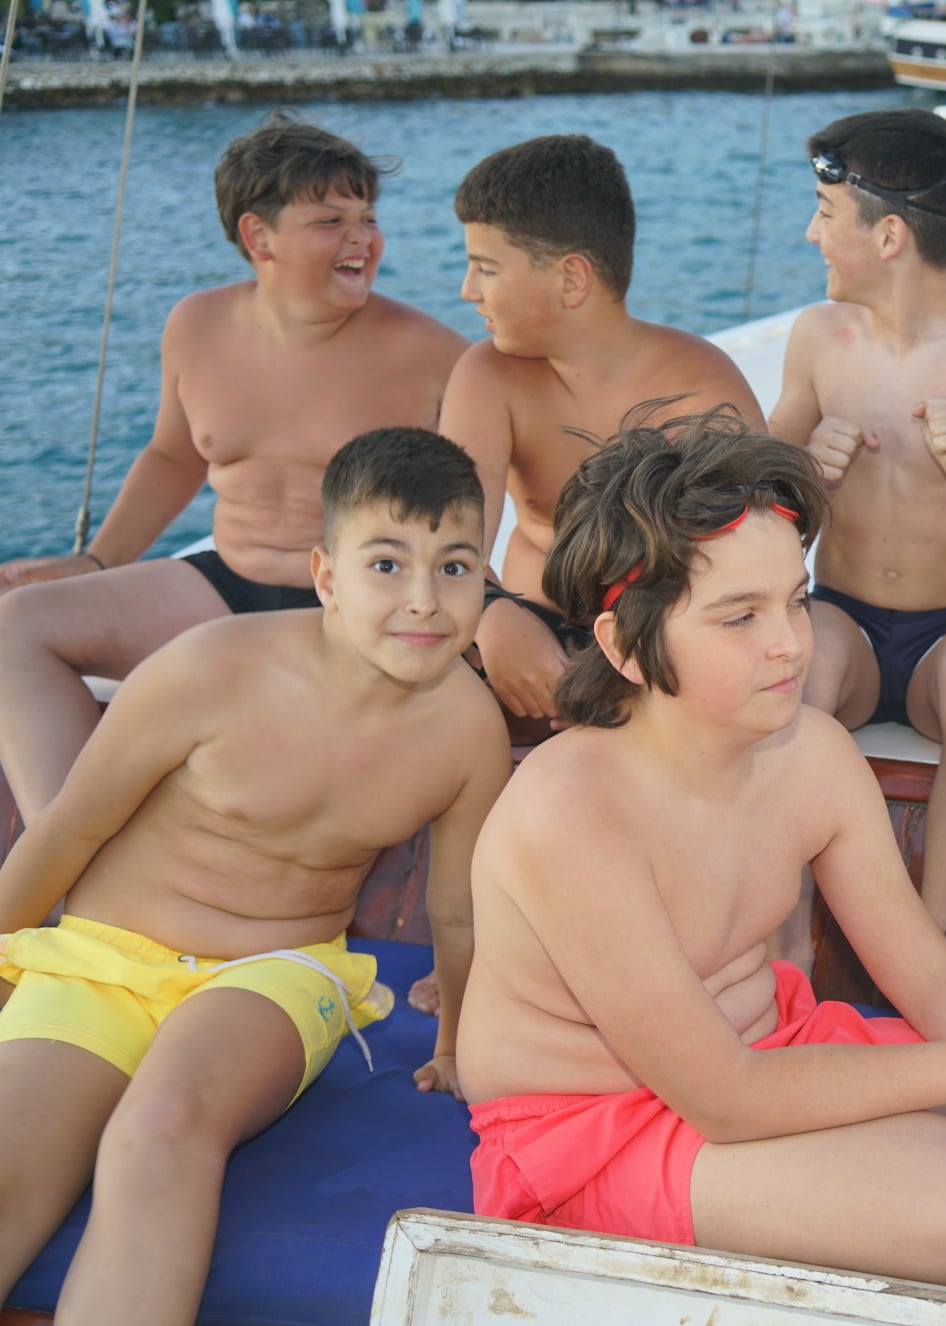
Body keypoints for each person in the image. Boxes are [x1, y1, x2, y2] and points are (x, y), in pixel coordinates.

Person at [453, 408, 946, 1287]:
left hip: (767, 1052)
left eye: (796, 600)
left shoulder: (812, 754)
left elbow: (923, 972)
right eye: (739, 618)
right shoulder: (572, 814)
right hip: (593, 1135)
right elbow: (722, 1097)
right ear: (627, 647)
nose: (789, 645)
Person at [0, 428, 512, 1323]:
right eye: (386, 565)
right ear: (325, 575)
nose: (424, 600)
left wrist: (453, 1044)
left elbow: (457, 914)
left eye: (456, 567)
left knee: (162, 1132)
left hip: (277, 971)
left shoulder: (468, 734)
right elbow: (71, 827)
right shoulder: (208, 668)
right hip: (103, 959)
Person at [0, 113, 468, 822]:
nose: (362, 240)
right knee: (17, 625)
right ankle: (61, 847)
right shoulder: (196, 325)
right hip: (222, 582)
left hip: (351, 612)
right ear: (258, 236)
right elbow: (173, 456)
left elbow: (488, 497)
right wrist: (97, 561)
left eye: (368, 219)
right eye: (330, 221)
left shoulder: (433, 355)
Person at [766, 109, 946, 947]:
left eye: (825, 214)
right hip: (842, 616)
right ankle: (787, 951)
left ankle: (933, 952)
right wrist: (803, 472)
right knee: (798, 669)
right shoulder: (818, 338)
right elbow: (751, 499)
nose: (811, 233)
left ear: (889, 236)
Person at [442, 134, 762, 738]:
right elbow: (447, 542)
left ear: (572, 279)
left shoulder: (700, 386)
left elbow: (754, 563)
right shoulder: (487, 377)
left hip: (659, 643)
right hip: (529, 628)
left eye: (485, 268)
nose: (468, 290)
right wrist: (490, 614)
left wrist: (638, 662)